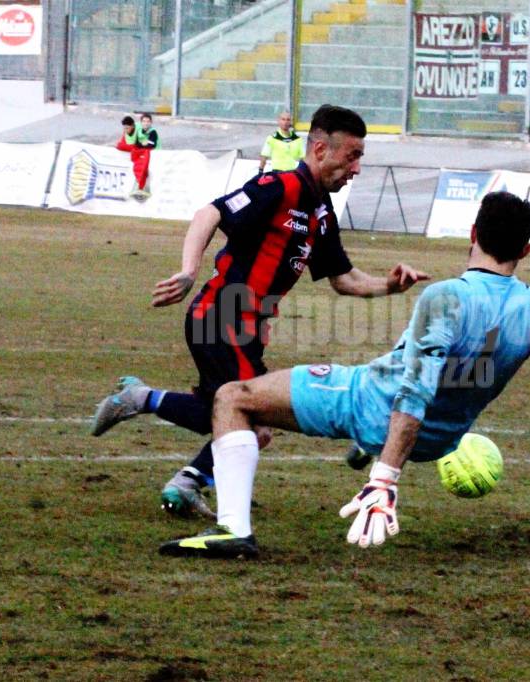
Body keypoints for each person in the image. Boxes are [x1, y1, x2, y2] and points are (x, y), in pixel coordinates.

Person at [157, 191, 530, 559]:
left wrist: (386, 479)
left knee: (234, 395)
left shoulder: (446, 295)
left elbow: (414, 387)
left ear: (471, 231)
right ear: (526, 248)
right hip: (442, 439)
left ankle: (233, 530)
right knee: (380, 380)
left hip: (373, 407)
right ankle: (362, 451)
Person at [91, 104, 430, 520]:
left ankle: (155, 423)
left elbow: (344, 279)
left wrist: (390, 285)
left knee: (228, 413)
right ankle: (178, 463)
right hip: (220, 316)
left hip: (247, 329)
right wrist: (187, 270)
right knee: (253, 417)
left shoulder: (322, 212)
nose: (357, 167)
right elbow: (209, 213)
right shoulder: (280, 186)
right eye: (353, 156)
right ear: (321, 149)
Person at [114, 114, 153, 199]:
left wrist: (131, 147)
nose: (125, 130)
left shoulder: (140, 130)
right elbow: (122, 145)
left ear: (133, 126)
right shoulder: (126, 132)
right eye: (124, 128)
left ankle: (142, 188)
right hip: (138, 151)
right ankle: (139, 187)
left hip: (148, 150)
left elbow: (144, 144)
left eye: (127, 128)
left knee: (142, 164)